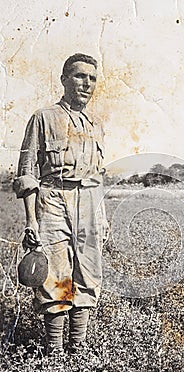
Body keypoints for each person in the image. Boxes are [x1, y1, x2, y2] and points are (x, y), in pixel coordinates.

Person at [13, 53, 108, 355]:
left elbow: (98, 176)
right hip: (52, 199)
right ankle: (54, 352)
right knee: (55, 275)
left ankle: (78, 351)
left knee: (88, 275)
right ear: (64, 78)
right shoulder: (43, 118)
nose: (87, 84)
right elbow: (27, 173)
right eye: (80, 76)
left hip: (89, 203)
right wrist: (31, 221)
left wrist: (101, 216)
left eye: (92, 79)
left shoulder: (96, 124)